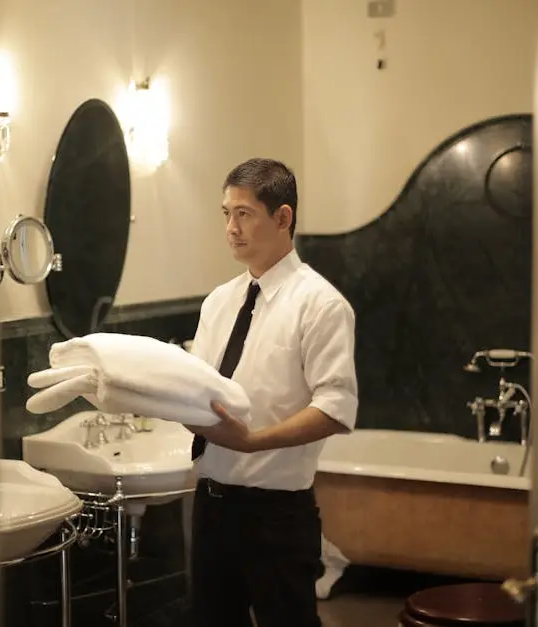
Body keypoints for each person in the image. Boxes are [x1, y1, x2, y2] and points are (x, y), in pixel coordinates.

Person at [187, 158, 359, 627]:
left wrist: (253, 441)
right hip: (211, 505)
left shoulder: (321, 305)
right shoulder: (219, 301)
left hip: (276, 514)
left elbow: (335, 408)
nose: (231, 228)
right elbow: (197, 387)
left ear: (282, 218)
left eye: (244, 214)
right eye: (226, 213)